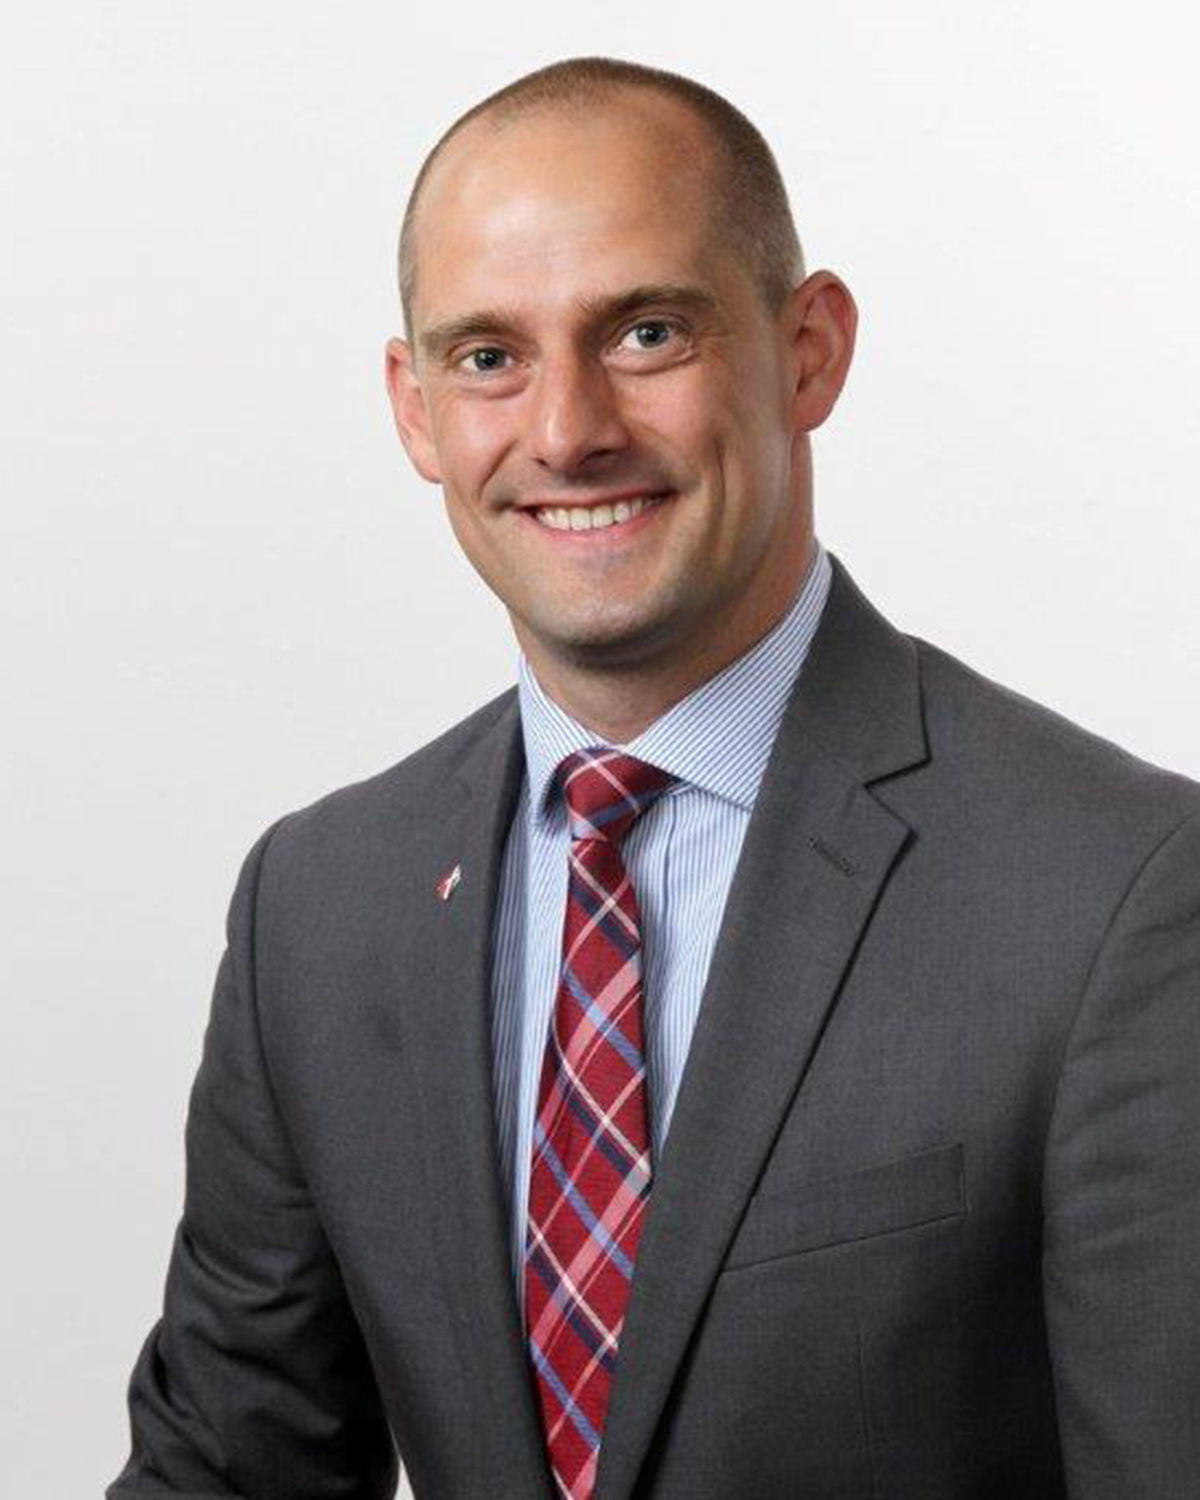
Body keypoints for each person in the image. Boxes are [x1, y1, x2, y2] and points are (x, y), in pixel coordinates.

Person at [107, 55, 1200, 1500]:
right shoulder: (316, 908)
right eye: (488, 356)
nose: (568, 431)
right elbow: (227, 1472)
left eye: (646, 332)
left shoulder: (1121, 898)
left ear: (809, 350)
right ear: (415, 407)